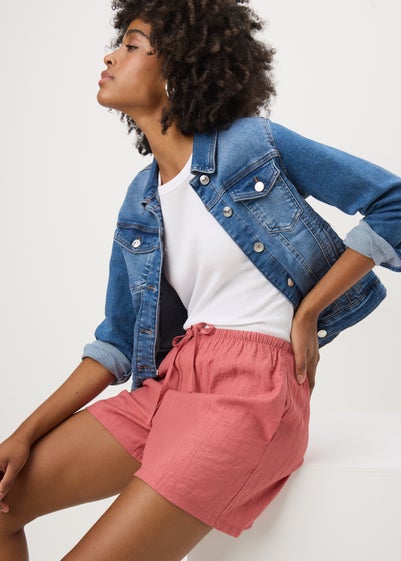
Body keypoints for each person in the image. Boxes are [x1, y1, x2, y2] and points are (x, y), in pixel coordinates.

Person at [0, 1, 400, 559]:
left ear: (179, 68)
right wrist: (23, 433)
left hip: (251, 394)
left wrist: (308, 311)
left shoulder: (253, 145)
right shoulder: (141, 200)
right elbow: (117, 343)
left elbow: (392, 203)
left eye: (132, 45)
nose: (111, 57)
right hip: (170, 383)